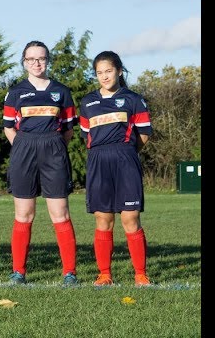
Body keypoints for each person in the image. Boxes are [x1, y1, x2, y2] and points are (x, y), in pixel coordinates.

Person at [3, 40, 79, 285]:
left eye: (41, 58)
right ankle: (18, 272)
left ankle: (69, 272)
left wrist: (53, 145)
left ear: (48, 60)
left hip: (53, 149)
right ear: (24, 62)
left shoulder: (62, 91)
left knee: (60, 213)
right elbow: (8, 128)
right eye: (31, 59)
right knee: (24, 214)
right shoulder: (15, 92)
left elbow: (68, 129)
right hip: (24, 149)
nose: (36, 63)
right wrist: (24, 148)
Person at [79, 50, 153, 287]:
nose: (104, 76)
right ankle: (104, 274)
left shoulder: (134, 99)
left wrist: (127, 153)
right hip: (98, 161)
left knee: (130, 218)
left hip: (125, 159)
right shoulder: (87, 102)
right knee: (103, 218)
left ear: (119, 71)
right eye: (99, 73)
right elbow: (86, 136)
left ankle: (140, 274)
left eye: (108, 71)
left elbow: (143, 135)